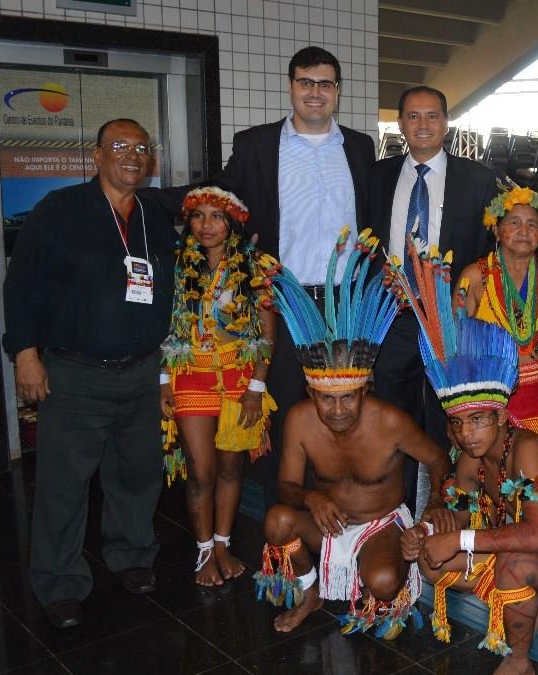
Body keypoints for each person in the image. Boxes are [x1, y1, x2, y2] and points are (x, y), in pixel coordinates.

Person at [389, 243, 538, 675]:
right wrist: (426, 530)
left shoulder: (528, 450)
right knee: (429, 558)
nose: (466, 433)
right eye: (457, 424)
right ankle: (526, 602)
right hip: (526, 552)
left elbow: (536, 535)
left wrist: (460, 541)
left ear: (501, 416)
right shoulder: (473, 455)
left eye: (477, 421)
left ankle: (520, 659)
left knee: (514, 562)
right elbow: (459, 512)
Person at [3, 118, 177, 628]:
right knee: (63, 483)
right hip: (75, 373)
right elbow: (22, 285)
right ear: (96, 156)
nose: (131, 155)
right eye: (119, 146)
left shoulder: (154, 214)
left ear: (150, 161)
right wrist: (25, 355)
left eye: (141, 148)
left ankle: (133, 556)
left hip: (141, 370)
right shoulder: (60, 209)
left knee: (137, 475)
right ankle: (59, 582)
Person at [253, 230, 452, 637]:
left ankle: (369, 570)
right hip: (327, 524)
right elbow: (286, 486)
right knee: (277, 522)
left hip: (381, 523)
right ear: (311, 393)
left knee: (383, 581)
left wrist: (431, 508)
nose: (338, 410)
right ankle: (311, 592)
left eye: (348, 398)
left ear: (364, 391)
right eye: (327, 399)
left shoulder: (389, 421)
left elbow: (437, 458)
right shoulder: (300, 420)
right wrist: (311, 498)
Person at [217, 46, 376, 509]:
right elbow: (220, 199)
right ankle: (284, 513)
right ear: (291, 87)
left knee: (343, 406)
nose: (315, 92)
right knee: (288, 405)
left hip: (345, 304)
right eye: (306, 82)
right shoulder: (256, 145)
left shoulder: (360, 147)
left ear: (337, 91)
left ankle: (341, 509)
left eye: (325, 84)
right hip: (284, 302)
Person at [370, 85, 499, 515]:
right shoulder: (378, 176)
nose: (422, 124)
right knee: (396, 420)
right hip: (395, 318)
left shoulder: (478, 180)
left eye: (431, 116)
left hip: (451, 321)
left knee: (452, 419)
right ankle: (399, 513)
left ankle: (449, 513)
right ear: (400, 124)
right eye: (412, 116)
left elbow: (492, 249)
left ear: (446, 123)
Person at [158, 186, 278, 586]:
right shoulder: (177, 265)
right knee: (201, 470)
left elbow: (267, 334)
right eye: (198, 216)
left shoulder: (254, 267)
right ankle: (204, 551)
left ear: (232, 223)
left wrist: (256, 388)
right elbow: (164, 328)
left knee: (230, 468)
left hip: (238, 381)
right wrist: (163, 380)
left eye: (216, 217)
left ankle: (224, 545)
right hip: (190, 376)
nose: (206, 225)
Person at [457, 185, 538, 447]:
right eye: (514, 222)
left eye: (532, 224)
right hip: (494, 400)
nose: (523, 231)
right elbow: (456, 349)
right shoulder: (475, 277)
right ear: (496, 229)